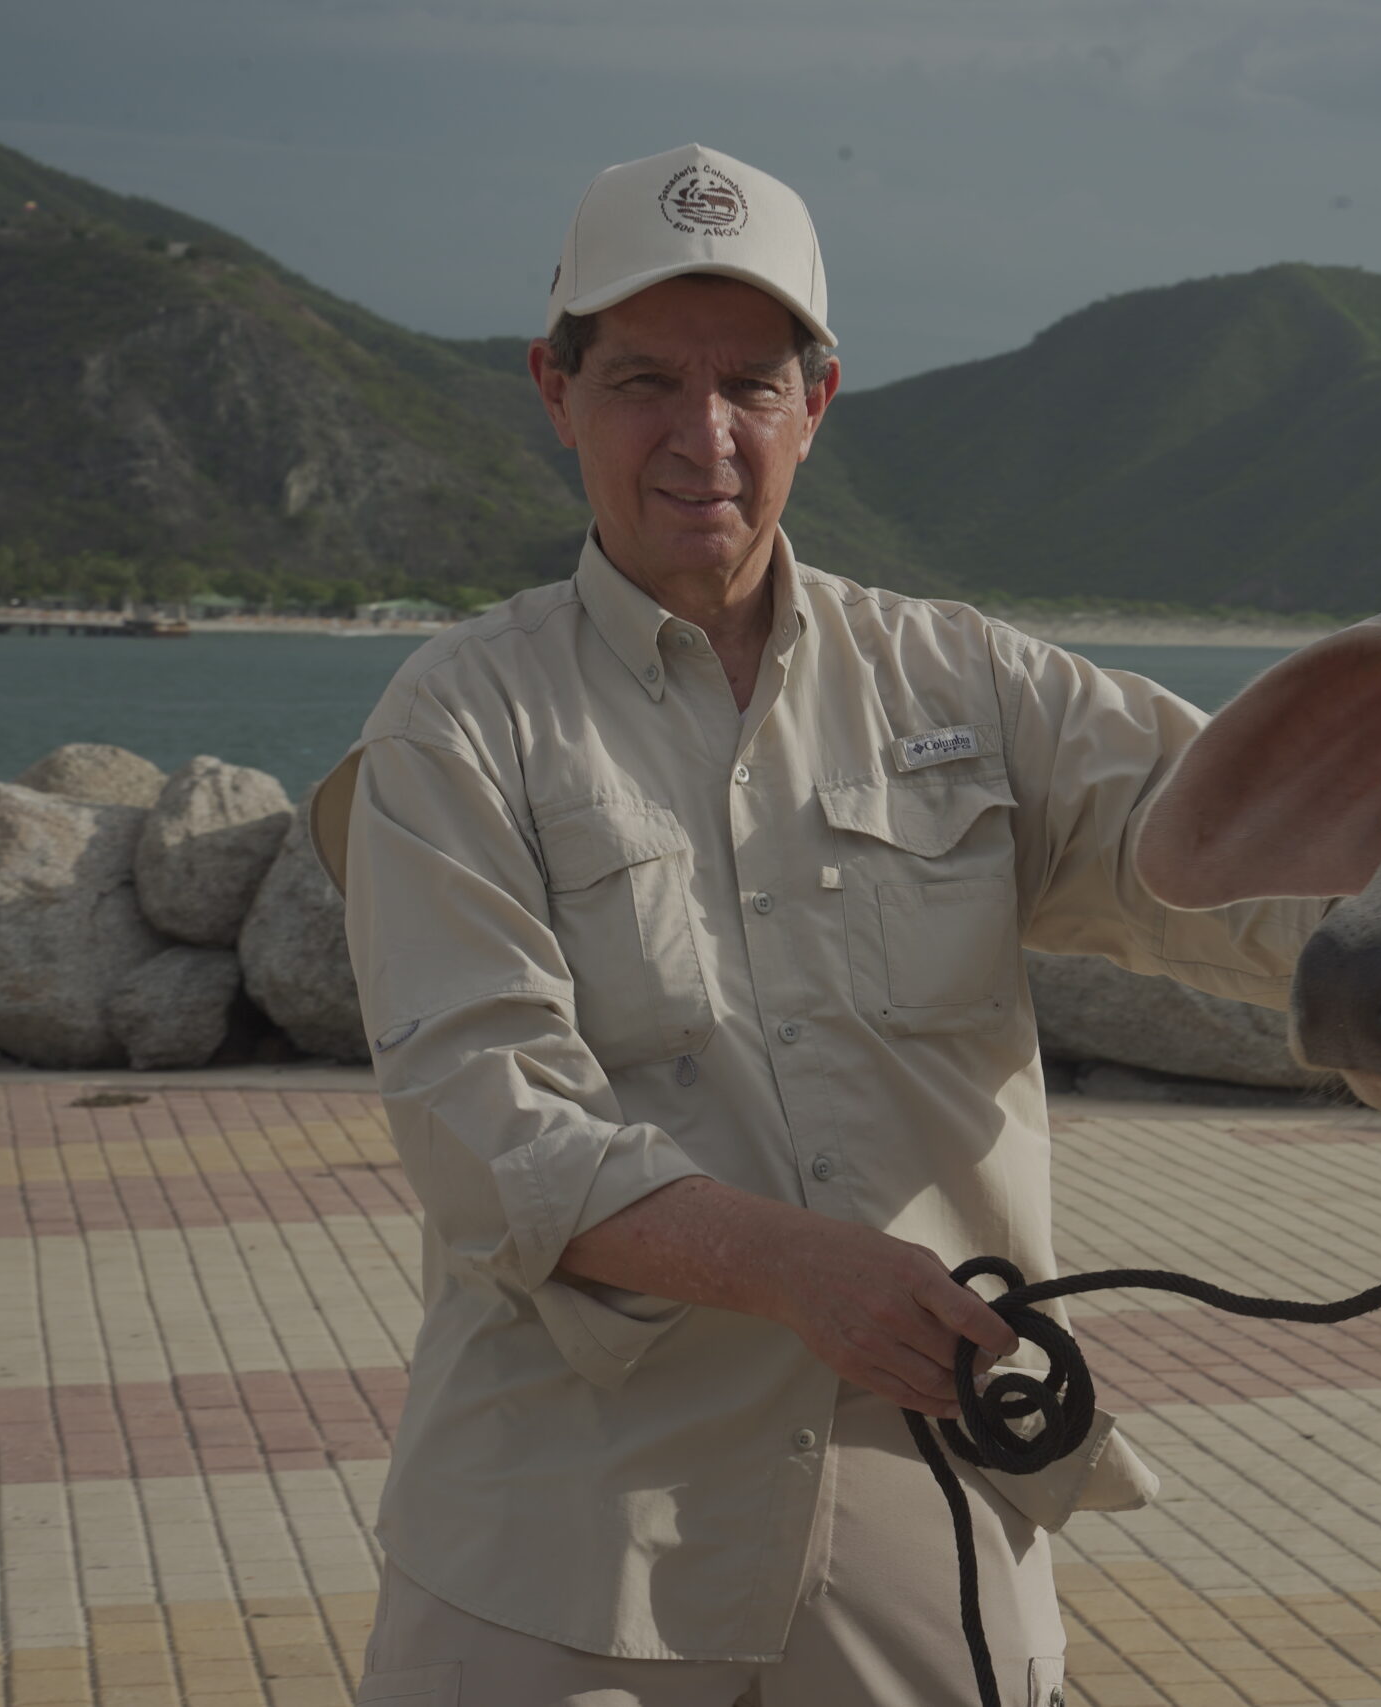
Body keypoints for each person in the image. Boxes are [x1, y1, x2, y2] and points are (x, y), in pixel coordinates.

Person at [309, 143, 1326, 1706]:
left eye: (751, 385)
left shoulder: (975, 686)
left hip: (925, 1517)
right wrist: (797, 1269)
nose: (700, 436)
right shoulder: (458, 722)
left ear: (820, 401)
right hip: (559, 1547)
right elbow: (485, 1124)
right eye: (645, 378)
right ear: (553, 387)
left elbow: (1245, 850)